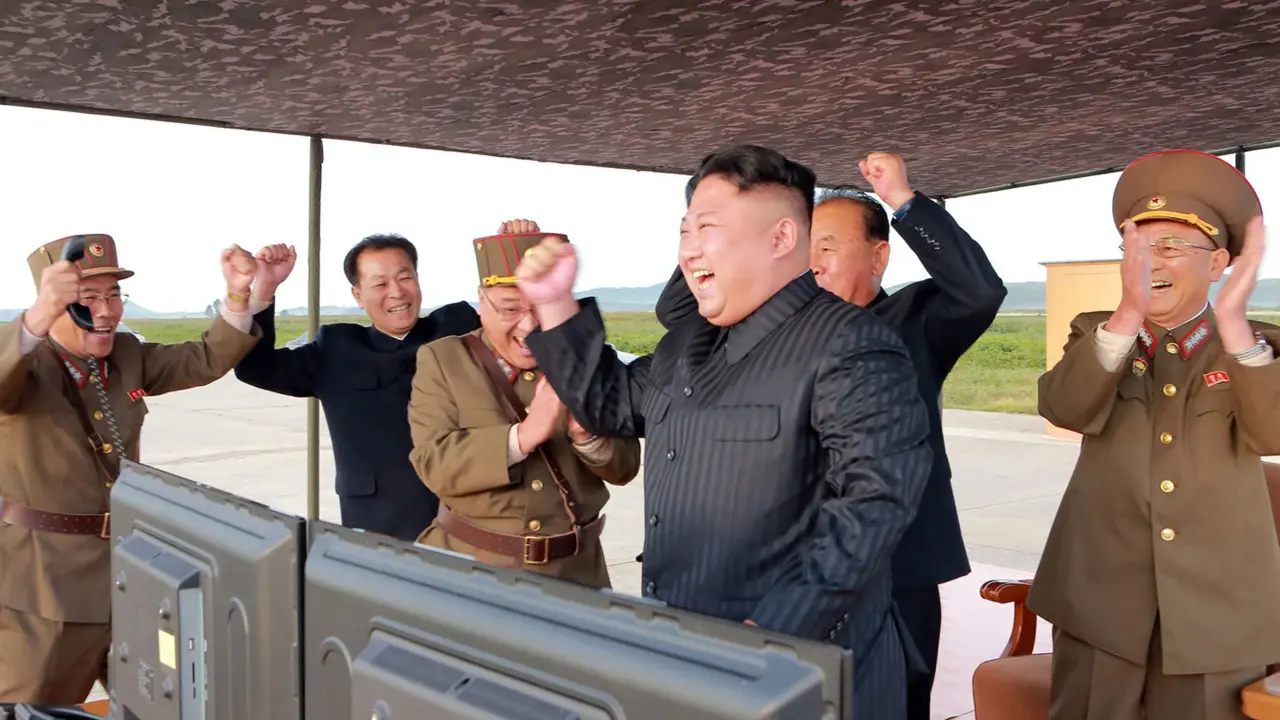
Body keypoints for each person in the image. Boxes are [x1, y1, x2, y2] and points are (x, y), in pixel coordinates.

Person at [520, 145, 933, 718]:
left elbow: (875, 502)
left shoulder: (852, 344)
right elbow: (609, 405)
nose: (689, 249)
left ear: (782, 238)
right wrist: (555, 305)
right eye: (684, 231)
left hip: (802, 673)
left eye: (708, 228)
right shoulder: (688, 343)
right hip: (689, 654)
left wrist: (772, 634)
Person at [654, 152, 1005, 718]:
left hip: (895, 565)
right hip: (784, 575)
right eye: (804, 244)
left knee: (894, 702)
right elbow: (675, 311)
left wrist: (904, 201)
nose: (811, 261)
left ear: (879, 256)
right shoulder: (764, 329)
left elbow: (980, 290)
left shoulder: (913, 321)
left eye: (828, 247)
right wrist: (716, 226)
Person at [1030, 149, 1280, 720]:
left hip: (1217, 611)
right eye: (1136, 250)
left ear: (1218, 264)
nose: (1149, 262)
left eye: (1170, 247)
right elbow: (1062, 407)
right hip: (1099, 600)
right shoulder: (1099, 334)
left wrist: (1234, 325)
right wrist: (1128, 313)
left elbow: (1274, 433)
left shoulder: (1256, 347)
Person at [0, 233, 264, 703]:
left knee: (159, 702)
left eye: (114, 295)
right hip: (44, 588)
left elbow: (204, 358)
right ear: (54, 300)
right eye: (87, 298)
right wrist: (38, 315)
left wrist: (241, 293)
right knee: (34, 708)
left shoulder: (125, 355)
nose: (106, 312)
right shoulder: (23, 364)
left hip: (130, 574)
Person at [407, 220, 641, 588]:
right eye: (510, 309)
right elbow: (433, 463)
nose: (529, 326)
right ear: (482, 303)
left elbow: (625, 468)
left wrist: (587, 437)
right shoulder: (444, 360)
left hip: (577, 575)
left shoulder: (585, 361)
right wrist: (524, 435)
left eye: (540, 308)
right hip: (471, 573)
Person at [233, 234, 481, 541]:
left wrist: (514, 249)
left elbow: (516, 319)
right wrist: (265, 287)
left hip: (467, 522)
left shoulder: (457, 329)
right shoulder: (336, 351)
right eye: (380, 284)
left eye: (405, 278)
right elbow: (255, 368)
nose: (396, 292)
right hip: (379, 527)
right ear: (358, 295)